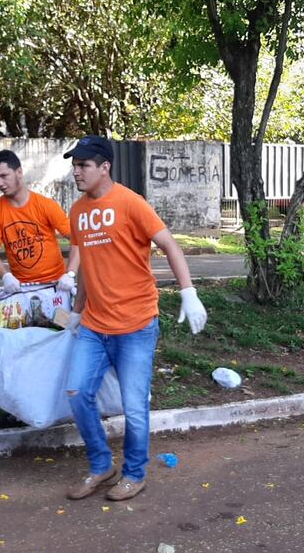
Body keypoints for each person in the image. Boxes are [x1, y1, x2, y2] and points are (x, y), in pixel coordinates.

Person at [63, 135, 207, 502]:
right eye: (75, 165)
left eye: (83, 165)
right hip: (95, 326)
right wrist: (76, 314)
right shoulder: (77, 211)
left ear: (104, 166)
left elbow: (169, 245)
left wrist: (188, 292)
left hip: (136, 325)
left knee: (134, 407)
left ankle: (134, 473)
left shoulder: (131, 203)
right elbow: (88, 272)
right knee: (77, 393)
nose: (76, 171)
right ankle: (101, 466)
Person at [0, 149, 79, 293]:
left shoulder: (45, 205)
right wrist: (6, 277)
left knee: (63, 317)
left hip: (56, 285)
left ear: (19, 172)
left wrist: (70, 274)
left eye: (4, 176)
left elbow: (77, 239)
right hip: (21, 289)